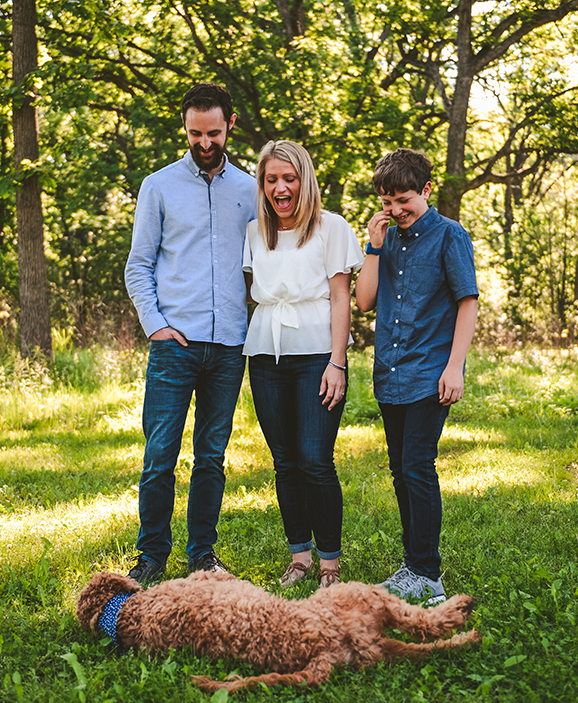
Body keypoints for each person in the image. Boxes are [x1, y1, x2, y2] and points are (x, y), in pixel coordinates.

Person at [123, 83, 258, 585]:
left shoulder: (250, 191)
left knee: (211, 457)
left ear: (231, 126)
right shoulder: (158, 186)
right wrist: (155, 326)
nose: (205, 142)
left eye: (214, 133)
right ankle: (151, 556)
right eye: (195, 133)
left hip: (229, 347)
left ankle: (202, 553)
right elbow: (138, 265)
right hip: (174, 345)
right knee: (159, 455)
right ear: (185, 127)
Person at [355, 148, 479, 604]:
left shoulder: (450, 236)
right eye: (388, 201)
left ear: (425, 191)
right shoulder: (384, 239)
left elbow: (468, 302)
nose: (396, 210)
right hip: (391, 373)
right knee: (400, 472)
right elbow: (364, 302)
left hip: (431, 373)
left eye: (404, 199)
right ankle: (413, 565)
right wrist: (372, 247)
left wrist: (454, 367)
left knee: (417, 465)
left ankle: (428, 573)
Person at [243, 140, 364, 589]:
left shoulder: (331, 228)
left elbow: (339, 298)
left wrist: (338, 362)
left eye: (288, 178)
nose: (280, 187)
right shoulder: (256, 231)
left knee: (316, 460)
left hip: (317, 355)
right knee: (285, 462)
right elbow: (250, 291)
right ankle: (300, 558)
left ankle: (330, 564)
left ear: (304, 181)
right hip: (267, 357)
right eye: (271, 179)